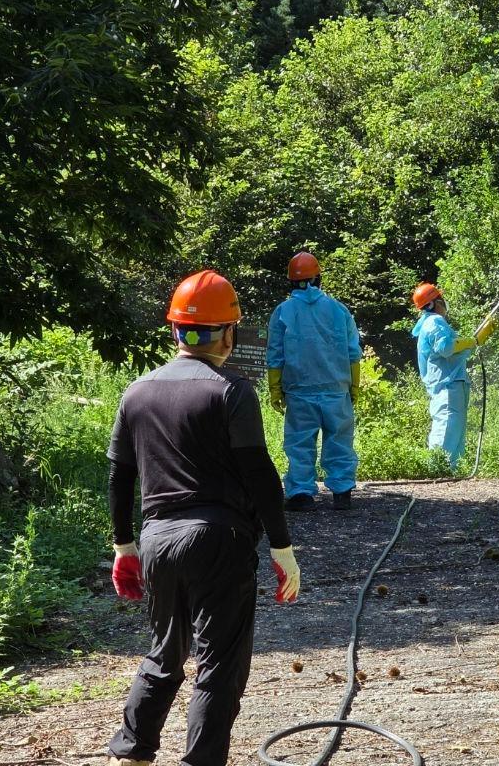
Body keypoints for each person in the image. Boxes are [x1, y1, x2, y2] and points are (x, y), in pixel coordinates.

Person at [106, 269, 301, 766]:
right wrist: (281, 547)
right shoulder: (231, 391)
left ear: (175, 330)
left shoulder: (137, 392)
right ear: (229, 334)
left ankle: (131, 755)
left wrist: (124, 546)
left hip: (157, 539)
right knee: (218, 665)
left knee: (164, 655)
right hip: (219, 540)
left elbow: (120, 476)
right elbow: (259, 474)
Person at [266, 251, 361, 512]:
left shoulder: (283, 312)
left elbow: (275, 355)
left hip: (299, 391)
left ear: (291, 282)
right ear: (318, 279)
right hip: (336, 389)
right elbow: (354, 352)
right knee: (340, 441)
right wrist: (354, 386)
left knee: (299, 445)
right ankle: (342, 493)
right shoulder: (339, 310)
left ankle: (301, 495)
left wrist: (275, 389)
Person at [410, 283, 496, 469]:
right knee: (446, 428)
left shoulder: (434, 323)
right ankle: (437, 470)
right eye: (440, 298)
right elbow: (446, 348)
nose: (444, 302)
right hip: (447, 386)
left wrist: (477, 341)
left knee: (455, 431)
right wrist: (472, 340)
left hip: (452, 384)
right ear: (433, 303)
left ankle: (450, 472)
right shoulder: (434, 322)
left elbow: (456, 352)